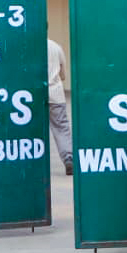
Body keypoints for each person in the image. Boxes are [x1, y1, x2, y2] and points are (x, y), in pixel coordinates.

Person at [46, 38, 74, 175]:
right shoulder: (56, 46)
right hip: (55, 93)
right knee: (61, 127)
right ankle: (68, 158)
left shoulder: (30, 46)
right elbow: (62, 73)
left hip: (34, 94)